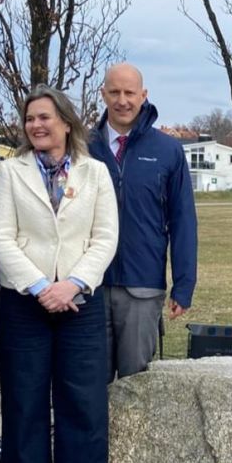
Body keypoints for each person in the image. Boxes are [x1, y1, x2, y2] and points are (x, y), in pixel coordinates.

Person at [0, 85, 119, 463]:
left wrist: (73, 284)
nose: (37, 126)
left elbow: (105, 238)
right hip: (25, 303)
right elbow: (0, 238)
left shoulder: (96, 173)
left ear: (66, 122)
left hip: (80, 302)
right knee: (24, 404)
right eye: (30, 119)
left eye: (45, 117)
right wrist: (41, 286)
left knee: (82, 406)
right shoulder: (11, 173)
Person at [88, 63, 197, 380]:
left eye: (129, 92)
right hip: (89, 285)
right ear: (103, 94)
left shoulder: (167, 151)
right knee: (90, 384)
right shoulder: (83, 148)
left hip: (142, 287)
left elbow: (182, 221)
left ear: (143, 95)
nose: (122, 100)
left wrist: (184, 283)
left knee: (136, 384)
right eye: (115, 92)